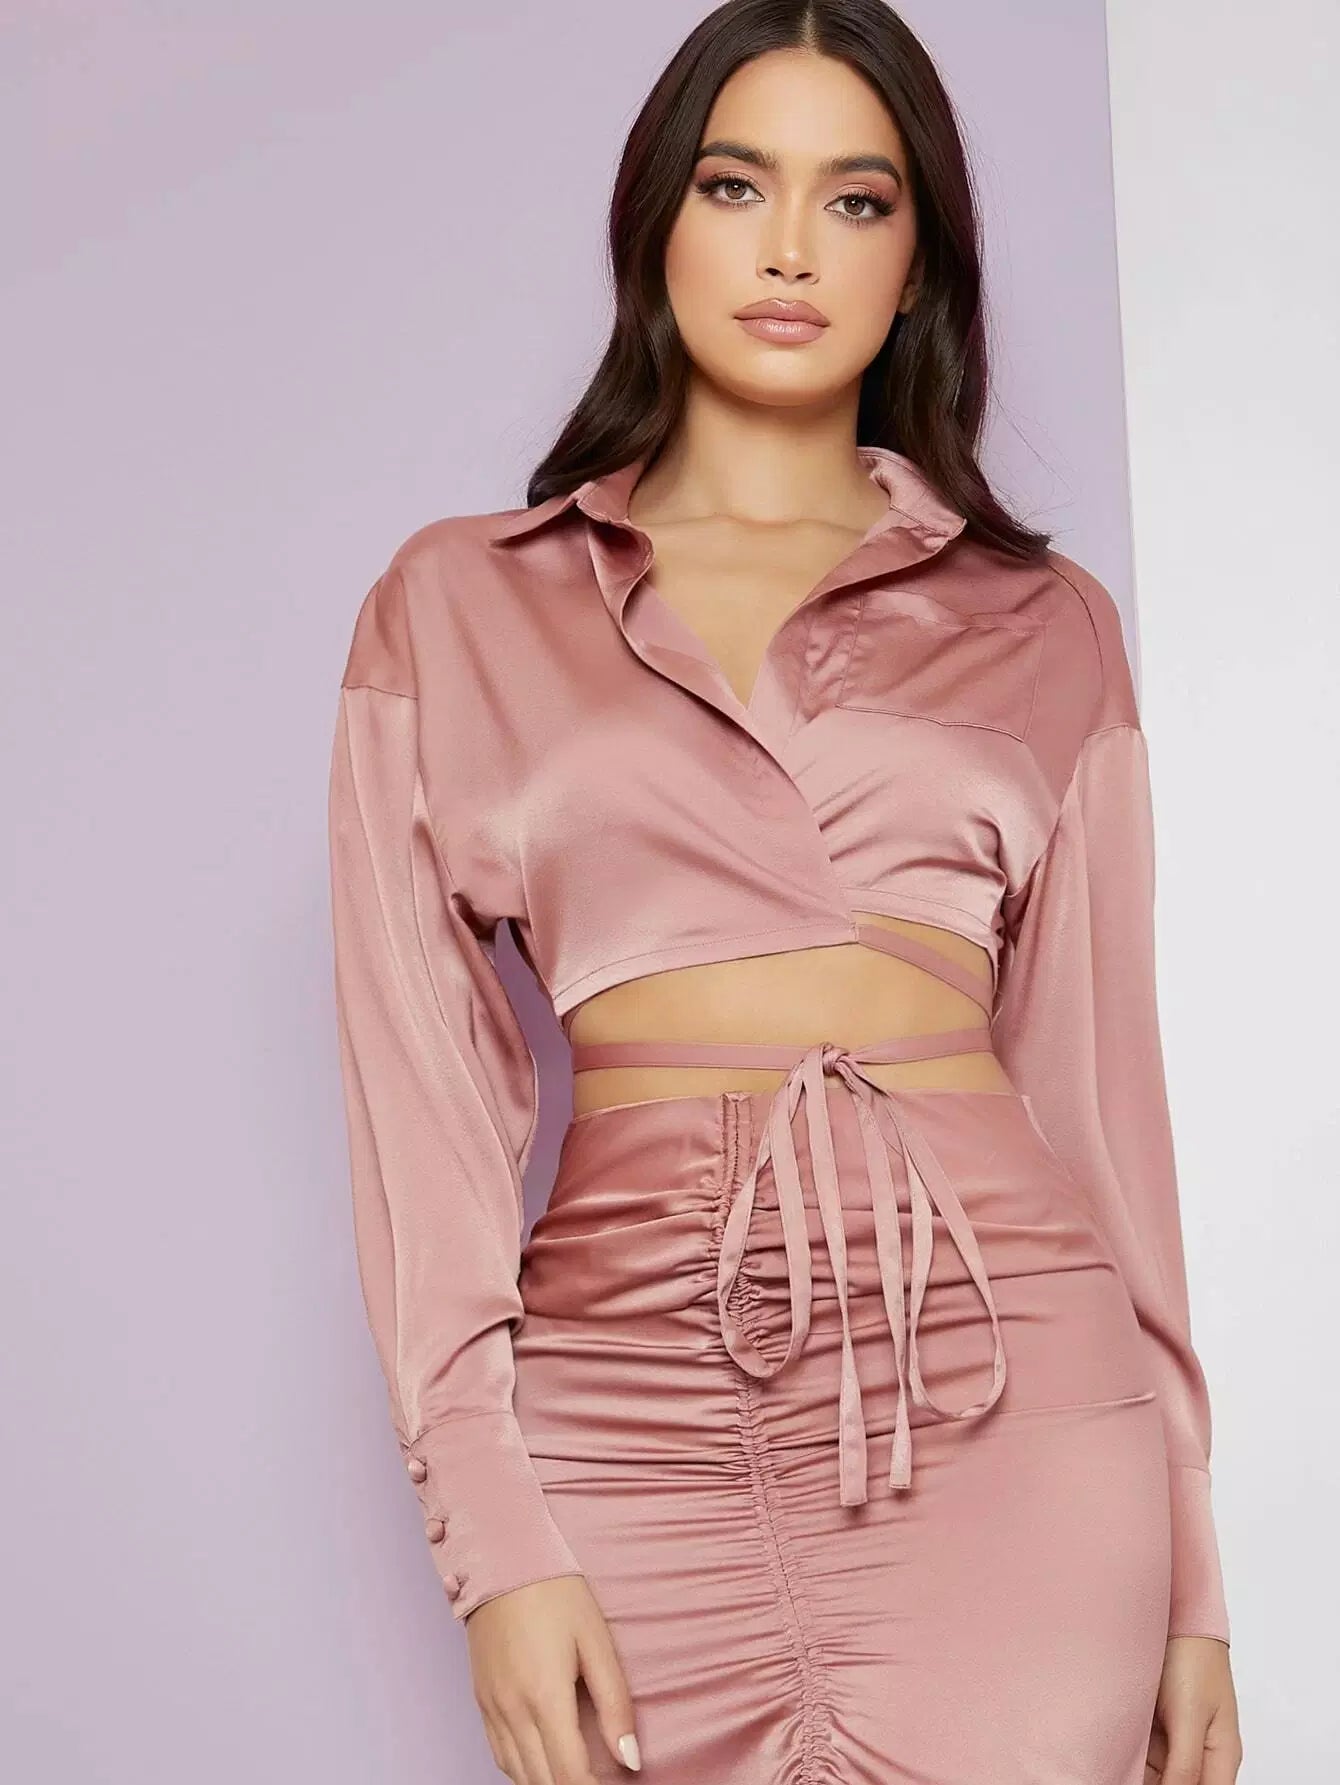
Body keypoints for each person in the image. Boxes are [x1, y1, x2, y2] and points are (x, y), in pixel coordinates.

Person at [326, 3, 1242, 1780]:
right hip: (627, 1412)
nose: (791, 248)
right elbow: (419, 1125)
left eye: (857, 199)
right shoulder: (456, 604)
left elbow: (1104, 1118)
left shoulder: (1046, 624)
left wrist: (1194, 1578)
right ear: (657, 219)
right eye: (739, 185)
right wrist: (494, 1539)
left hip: (1010, 1404)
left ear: (919, 264)